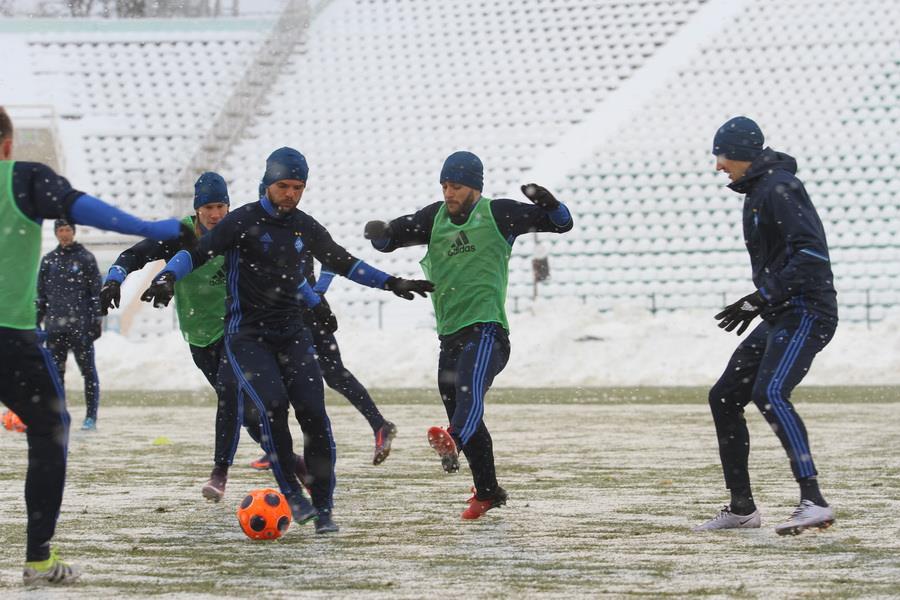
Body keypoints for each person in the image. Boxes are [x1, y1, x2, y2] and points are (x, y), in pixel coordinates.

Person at [140, 147, 433, 534]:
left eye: (298, 187)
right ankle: (292, 493)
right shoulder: (241, 221)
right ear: (268, 184)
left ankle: (324, 509)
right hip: (247, 337)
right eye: (284, 186)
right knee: (274, 406)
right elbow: (196, 253)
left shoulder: (304, 226)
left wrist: (392, 282)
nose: (291, 194)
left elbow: (343, 261)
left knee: (314, 414)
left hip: (292, 334)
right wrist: (167, 277)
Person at [0, 105, 188, 584]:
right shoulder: (21, 178)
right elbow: (80, 205)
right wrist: (149, 228)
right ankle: (38, 559)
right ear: (8, 145)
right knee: (50, 427)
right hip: (8, 338)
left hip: (35, 332)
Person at [363, 150, 573, 519]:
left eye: (456, 186)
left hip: (488, 329)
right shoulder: (434, 218)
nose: (449, 193)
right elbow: (391, 239)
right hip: (449, 336)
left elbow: (562, 224)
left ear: (474, 187)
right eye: (444, 185)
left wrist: (551, 204)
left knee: (468, 393)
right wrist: (377, 233)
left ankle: (454, 441)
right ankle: (488, 491)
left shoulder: (499, 214)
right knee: (460, 407)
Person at [99, 172, 296, 502]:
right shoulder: (177, 235)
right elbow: (132, 255)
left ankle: (220, 472)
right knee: (246, 414)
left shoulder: (237, 231)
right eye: (208, 208)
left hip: (236, 329)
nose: (216, 214)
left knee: (229, 395)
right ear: (197, 210)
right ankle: (292, 462)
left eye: (221, 206)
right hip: (199, 337)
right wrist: (113, 280)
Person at [694, 116, 838, 535]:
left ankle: (814, 501)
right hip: (781, 311)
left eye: (722, 156)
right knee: (724, 397)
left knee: (771, 392)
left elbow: (811, 256)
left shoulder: (779, 188)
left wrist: (761, 297)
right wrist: (762, 301)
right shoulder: (759, 191)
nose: (719, 165)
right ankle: (742, 509)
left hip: (808, 311)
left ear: (741, 153)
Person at [249, 263, 397, 471]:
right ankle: (379, 425)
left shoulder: (288, 241)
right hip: (292, 311)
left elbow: (331, 257)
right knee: (331, 376)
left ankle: (282, 450)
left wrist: (316, 293)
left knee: (298, 380)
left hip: (300, 313)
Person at [36, 219, 103, 431]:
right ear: (56, 233)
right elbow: (41, 296)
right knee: (56, 376)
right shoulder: (49, 260)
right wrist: (36, 322)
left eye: (67, 230)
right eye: (60, 230)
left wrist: (96, 320)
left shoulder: (85, 258)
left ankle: (90, 417)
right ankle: (60, 416)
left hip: (80, 327)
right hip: (55, 328)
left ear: (73, 232)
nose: (64, 234)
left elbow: (96, 293)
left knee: (88, 373)